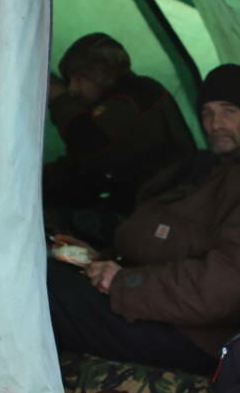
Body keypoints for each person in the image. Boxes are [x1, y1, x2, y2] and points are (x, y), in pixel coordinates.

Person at [48, 63, 240, 375]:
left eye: (229, 111)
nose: (215, 123)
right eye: (207, 112)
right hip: (158, 302)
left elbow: (224, 288)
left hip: (192, 335)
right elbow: (179, 239)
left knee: (41, 291)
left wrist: (124, 282)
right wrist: (104, 259)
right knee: (50, 266)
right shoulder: (224, 168)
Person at [43, 33, 195, 243]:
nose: (73, 89)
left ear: (101, 74)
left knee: (46, 222)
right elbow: (84, 170)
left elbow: (88, 145)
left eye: (78, 79)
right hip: (139, 208)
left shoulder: (138, 96)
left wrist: (60, 100)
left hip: (157, 218)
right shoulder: (116, 100)